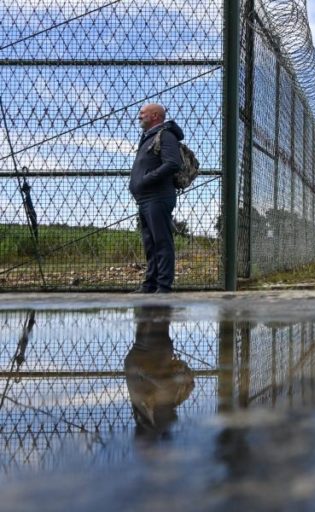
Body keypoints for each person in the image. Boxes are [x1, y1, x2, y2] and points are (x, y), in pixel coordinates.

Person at [129, 103, 184, 293]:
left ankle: (163, 286)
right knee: (150, 243)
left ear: (154, 116)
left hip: (158, 197)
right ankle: (150, 284)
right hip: (145, 199)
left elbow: (172, 163)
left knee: (161, 241)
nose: (139, 117)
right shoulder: (148, 138)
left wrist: (146, 179)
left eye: (142, 114)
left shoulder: (165, 135)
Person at [124, 305, 195, 440]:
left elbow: (140, 370)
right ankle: (157, 298)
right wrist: (180, 372)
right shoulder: (172, 398)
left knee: (154, 323)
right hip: (151, 355)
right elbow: (188, 380)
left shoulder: (146, 403)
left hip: (145, 355)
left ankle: (156, 298)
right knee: (157, 322)